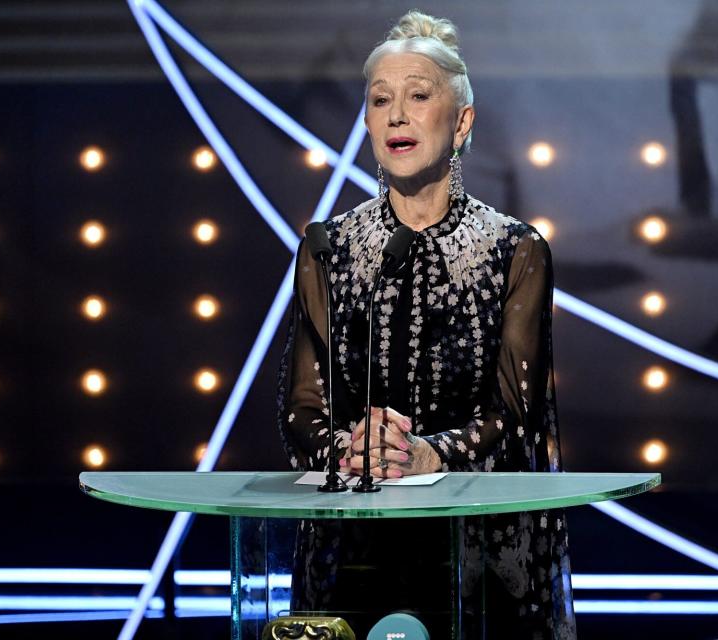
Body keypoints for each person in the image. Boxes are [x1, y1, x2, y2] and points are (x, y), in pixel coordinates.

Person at [276, 10, 576, 638]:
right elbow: (302, 408)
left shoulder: (513, 250)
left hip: (477, 557)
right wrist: (350, 451)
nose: (396, 115)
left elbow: (512, 413)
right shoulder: (329, 248)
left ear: (462, 122)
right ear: (364, 122)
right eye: (380, 100)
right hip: (352, 553)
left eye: (418, 96)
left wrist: (426, 453)